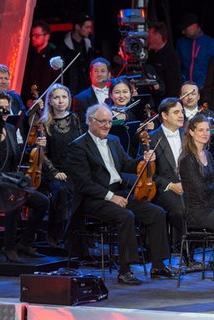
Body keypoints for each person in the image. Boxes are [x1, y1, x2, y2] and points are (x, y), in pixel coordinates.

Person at [68, 104, 176, 285]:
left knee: (156, 213)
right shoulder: (78, 146)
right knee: (126, 216)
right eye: (102, 121)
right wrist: (111, 197)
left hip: (120, 192)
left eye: (110, 122)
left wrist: (144, 160)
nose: (107, 125)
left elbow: (127, 164)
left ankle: (158, 264)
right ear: (90, 121)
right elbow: (84, 184)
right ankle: (125, 270)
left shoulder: (114, 140)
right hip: (94, 198)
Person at [0, 91, 49, 263]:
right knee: (14, 200)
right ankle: (9, 248)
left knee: (43, 202)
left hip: (11, 180)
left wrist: (34, 147)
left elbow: (18, 156)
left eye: (7, 108)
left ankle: (25, 242)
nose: (5, 112)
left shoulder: (11, 129)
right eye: (1, 108)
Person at [178, 114, 214, 286]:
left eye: (207, 130)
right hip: (198, 211)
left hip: (213, 205)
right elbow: (201, 192)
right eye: (200, 130)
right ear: (192, 133)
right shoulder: (187, 160)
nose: (205, 133)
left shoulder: (207, 155)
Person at [142, 97, 198, 265]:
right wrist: (170, 185)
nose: (181, 115)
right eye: (176, 112)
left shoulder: (188, 135)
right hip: (163, 188)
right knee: (180, 210)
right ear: (164, 116)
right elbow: (148, 174)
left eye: (181, 112)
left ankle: (190, 251)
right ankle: (184, 252)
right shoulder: (152, 138)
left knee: (200, 206)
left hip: (187, 186)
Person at [40, 84, 82, 247]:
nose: (61, 101)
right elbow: (42, 154)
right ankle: (56, 233)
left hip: (73, 169)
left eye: (64, 97)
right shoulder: (44, 123)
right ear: (50, 101)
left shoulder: (75, 119)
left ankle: (76, 236)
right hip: (54, 170)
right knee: (62, 191)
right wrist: (54, 172)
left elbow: (80, 145)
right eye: (56, 97)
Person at [21, 21, 60, 106]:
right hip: (30, 103)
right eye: (33, 35)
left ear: (47, 37)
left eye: (37, 36)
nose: (33, 38)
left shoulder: (54, 56)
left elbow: (55, 82)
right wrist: (27, 98)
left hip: (47, 103)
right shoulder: (30, 55)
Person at [175, 13, 214, 88]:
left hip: (204, 88)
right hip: (185, 88)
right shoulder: (181, 43)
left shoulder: (210, 43)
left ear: (194, 26)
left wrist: (205, 85)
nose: (183, 32)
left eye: (185, 29)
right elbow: (178, 66)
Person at [58, 14, 94, 95]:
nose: (89, 30)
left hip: (86, 88)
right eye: (87, 27)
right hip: (70, 90)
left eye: (90, 27)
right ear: (77, 27)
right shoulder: (64, 47)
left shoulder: (88, 45)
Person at [147, 22, 182, 103]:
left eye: (149, 37)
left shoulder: (171, 56)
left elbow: (174, 83)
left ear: (158, 37)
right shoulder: (150, 55)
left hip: (165, 100)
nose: (147, 40)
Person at [73, 57, 112, 130]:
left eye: (102, 71)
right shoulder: (80, 99)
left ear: (109, 75)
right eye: (96, 71)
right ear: (90, 74)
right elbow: (81, 126)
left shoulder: (116, 94)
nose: (99, 74)